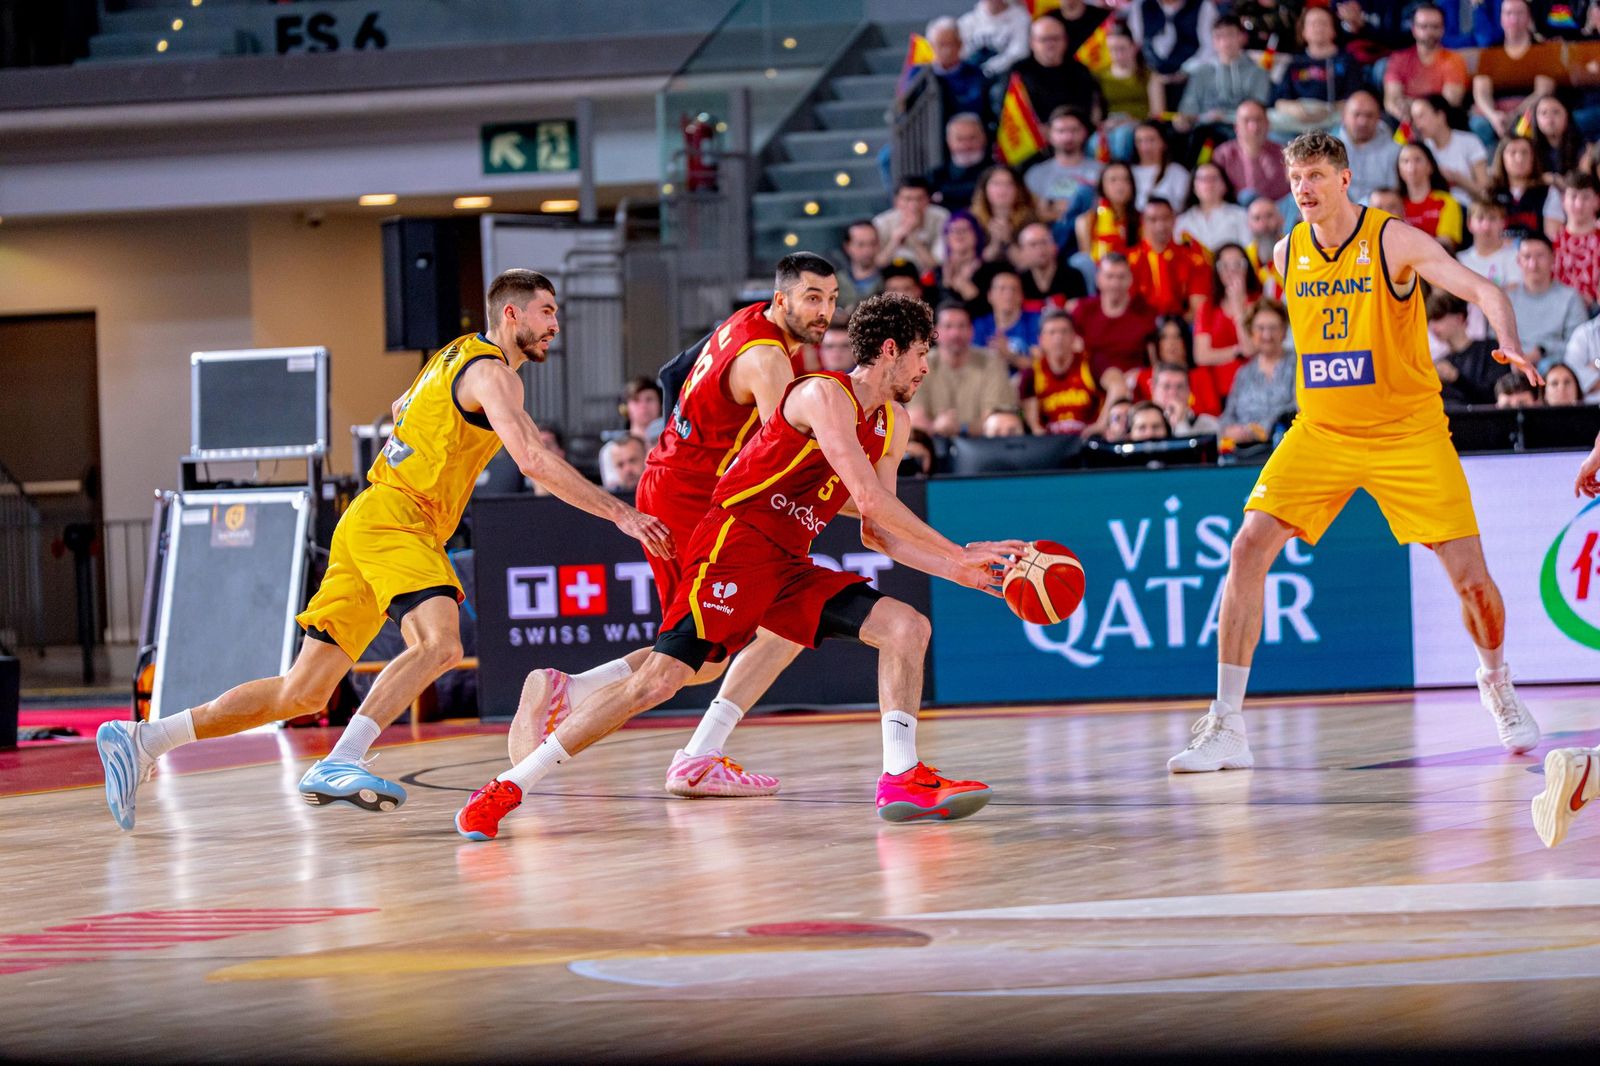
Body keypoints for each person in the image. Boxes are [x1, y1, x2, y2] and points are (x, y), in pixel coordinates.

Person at [94, 269, 676, 829]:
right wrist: (621, 513)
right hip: (399, 519)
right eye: (547, 312)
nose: (555, 324)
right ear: (511, 312)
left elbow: (402, 408)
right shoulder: (496, 373)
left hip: (369, 518)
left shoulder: (452, 354)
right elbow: (533, 460)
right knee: (442, 643)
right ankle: (342, 759)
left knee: (303, 691)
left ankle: (145, 738)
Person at [455, 293, 1028, 839]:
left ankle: (902, 778)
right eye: (922, 352)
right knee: (661, 681)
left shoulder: (893, 422)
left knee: (907, 627)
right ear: (889, 350)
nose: (926, 366)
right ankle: (508, 786)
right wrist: (959, 552)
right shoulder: (821, 395)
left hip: (789, 562)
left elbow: (876, 529)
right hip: (735, 544)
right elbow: (872, 499)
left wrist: (960, 573)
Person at [1168, 129, 1546, 775]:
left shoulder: (1391, 239)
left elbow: (1485, 290)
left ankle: (1496, 680)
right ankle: (1227, 723)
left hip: (1409, 433)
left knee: (1473, 583)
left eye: (1315, 176)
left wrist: (1508, 341)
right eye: (1295, 180)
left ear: (1345, 179)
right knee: (1247, 546)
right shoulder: (1288, 252)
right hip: (1322, 432)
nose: (1304, 190)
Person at [507, 254, 840, 797]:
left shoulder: (743, 321)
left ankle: (574, 690)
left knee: (701, 655)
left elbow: (673, 372)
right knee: (772, 626)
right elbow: (790, 458)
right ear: (782, 300)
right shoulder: (769, 361)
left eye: (830, 298)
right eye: (812, 298)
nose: (824, 310)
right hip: (693, 499)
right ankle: (691, 754)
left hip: (675, 483)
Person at [911, 301, 1017, 437]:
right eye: (948, 326)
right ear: (935, 332)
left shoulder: (991, 362)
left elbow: (996, 420)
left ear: (971, 331)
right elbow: (915, 418)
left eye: (962, 326)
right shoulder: (920, 364)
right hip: (933, 443)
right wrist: (936, 427)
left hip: (982, 445)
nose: (955, 333)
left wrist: (961, 428)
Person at [1469, 0, 1561, 147]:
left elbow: (1543, 91)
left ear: (1528, 17)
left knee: (1527, 125)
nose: (1513, 19)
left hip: (1528, 109)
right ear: (1501, 18)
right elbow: (1481, 92)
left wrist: (1516, 114)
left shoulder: (1542, 51)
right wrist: (1493, 116)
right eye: (1508, 13)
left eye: (1519, 13)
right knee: (1479, 125)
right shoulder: (1490, 52)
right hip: (1497, 112)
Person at [1021, 308, 1128, 435]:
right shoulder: (1032, 373)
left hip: (1090, 441)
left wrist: (1101, 424)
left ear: (1074, 336)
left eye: (1064, 331)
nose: (1058, 338)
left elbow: (1119, 386)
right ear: (1041, 340)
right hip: (1051, 447)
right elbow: (1034, 425)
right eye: (1052, 332)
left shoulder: (1091, 363)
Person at [1173, 15, 1272, 140]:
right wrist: (1186, 120)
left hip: (1242, 134)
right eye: (1219, 36)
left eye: (1230, 35)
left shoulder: (1258, 72)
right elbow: (1188, 109)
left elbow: (1258, 112)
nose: (1225, 42)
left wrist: (1227, 117)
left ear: (1242, 37)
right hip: (1205, 132)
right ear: (1213, 41)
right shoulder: (1201, 73)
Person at [1217, 298, 1297, 445]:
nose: (1267, 335)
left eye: (1273, 328)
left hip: (1284, 446)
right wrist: (1230, 430)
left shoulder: (1297, 364)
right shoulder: (1244, 373)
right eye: (1260, 328)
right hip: (1245, 453)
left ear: (1284, 331)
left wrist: (1259, 430)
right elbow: (1228, 416)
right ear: (1251, 332)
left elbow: (1297, 409)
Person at [1271, 5, 1361, 136]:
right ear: (1303, 31)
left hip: (1332, 118)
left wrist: (1328, 110)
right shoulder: (1294, 62)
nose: (1318, 28)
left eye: (1323, 23)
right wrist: (1295, 110)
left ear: (1334, 30)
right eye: (1312, 24)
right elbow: (1279, 102)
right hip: (1299, 119)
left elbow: (1356, 100)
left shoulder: (1347, 61)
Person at [1005, 12, 1105, 127]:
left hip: (1076, 133)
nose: (1050, 44)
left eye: (1055, 38)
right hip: (1034, 137)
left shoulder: (1080, 71)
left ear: (1065, 41)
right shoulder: (1018, 73)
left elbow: (1092, 109)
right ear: (1032, 42)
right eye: (1044, 39)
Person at [1509, 233, 1590, 373]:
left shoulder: (1570, 297)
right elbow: (1496, 339)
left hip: (1555, 367)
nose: (1533, 264)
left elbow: (1580, 345)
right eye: (1527, 257)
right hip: (1513, 366)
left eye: (1540, 256)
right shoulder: (1508, 299)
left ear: (1553, 258)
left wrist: (1542, 350)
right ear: (1518, 261)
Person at [1073, 252, 1159, 380]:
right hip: (1091, 383)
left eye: (1121, 277)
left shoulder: (1146, 313)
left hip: (1134, 383)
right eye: (1110, 277)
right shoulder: (1083, 310)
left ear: (1130, 279)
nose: (1115, 284)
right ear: (1098, 279)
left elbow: (1155, 362)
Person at [1382, 2, 1470, 125]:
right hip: (1405, 122)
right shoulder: (1399, 59)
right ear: (1414, 29)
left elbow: (1449, 104)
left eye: (1435, 27)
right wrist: (1409, 116)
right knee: (1392, 130)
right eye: (1424, 26)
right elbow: (1391, 101)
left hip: (1440, 125)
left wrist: (1411, 104)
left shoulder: (1454, 60)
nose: (1429, 32)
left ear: (1443, 29)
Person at [1128, 197, 1211, 319]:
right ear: (1143, 222)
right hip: (1140, 327)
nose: (1160, 226)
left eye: (1165, 218)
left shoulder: (1194, 259)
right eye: (1153, 220)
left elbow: (1199, 311)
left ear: (1174, 220)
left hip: (1181, 329)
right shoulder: (1129, 260)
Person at [1426, 291, 1509, 406]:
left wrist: (1457, 378)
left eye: (1439, 317)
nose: (1432, 326)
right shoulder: (1442, 362)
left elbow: (1496, 395)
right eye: (1430, 320)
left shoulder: (1490, 349)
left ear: (1459, 318)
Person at [1096, 22, 1162, 163]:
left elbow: (1157, 113)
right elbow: (1096, 114)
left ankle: (1121, 174)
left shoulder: (1149, 75)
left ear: (1134, 47)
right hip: (1110, 124)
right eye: (1112, 50)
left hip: (1139, 125)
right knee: (1094, 142)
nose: (1117, 55)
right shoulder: (1101, 77)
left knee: (1122, 137)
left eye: (1122, 49)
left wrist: (1132, 121)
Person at [1025, 107, 1103, 225]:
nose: (1068, 137)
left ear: (1084, 133)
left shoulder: (1102, 171)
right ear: (1049, 134)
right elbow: (1031, 215)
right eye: (1061, 131)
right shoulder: (1035, 174)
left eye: (1074, 130)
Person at [913, 18, 994, 131]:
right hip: (929, 134)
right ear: (931, 46)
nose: (947, 51)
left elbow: (978, 107)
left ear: (960, 44)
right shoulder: (918, 75)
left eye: (951, 44)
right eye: (942, 45)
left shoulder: (976, 74)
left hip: (967, 134)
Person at [1410, 93, 1489, 205]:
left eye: (1421, 116)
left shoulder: (1470, 141)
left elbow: (1486, 193)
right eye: (1413, 118)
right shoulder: (1421, 150)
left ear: (1440, 116)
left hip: (1469, 209)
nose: (1416, 124)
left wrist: (1457, 178)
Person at [1486, 135, 1561, 241]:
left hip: (1534, 254)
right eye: (1512, 153)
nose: (1519, 159)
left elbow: (1553, 237)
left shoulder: (1548, 192)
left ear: (1533, 158)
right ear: (1502, 158)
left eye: (1525, 153)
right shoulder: (1491, 193)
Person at [1214, 100, 1290, 203]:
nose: (1254, 127)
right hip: (1236, 212)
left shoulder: (1284, 154)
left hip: (1277, 211)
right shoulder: (1222, 155)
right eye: (1247, 121)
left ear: (1268, 124)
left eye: (1259, 120)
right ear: (1236, 127)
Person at [1335, 90, 1401, 206]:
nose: (1363, 121)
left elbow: (1393, 196)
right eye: (1357, 114)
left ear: (1378, 117)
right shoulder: (1328, 151)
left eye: (1369, 115)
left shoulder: (1396, 152)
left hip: (1379, 217)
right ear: (1344, 116)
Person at [1397, 141, 1466, 252]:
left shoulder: (1446, 201)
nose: (1411, 167)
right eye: (1405, 161)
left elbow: (1447, 244)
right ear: (1399, 169)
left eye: (1417, 160)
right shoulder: (1395, 203)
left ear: (1430, 166)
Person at [873, 178, 949, 275]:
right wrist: (895, 240)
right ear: (896, 201)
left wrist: (912, 237)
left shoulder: (942, 217)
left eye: (919, 199)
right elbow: (876, 265)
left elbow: (936, 265)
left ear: (928, 200)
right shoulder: (882, 222)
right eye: (907, 199)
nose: (914, 205)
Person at [971, 164, 1038, 266]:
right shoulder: (972, 220)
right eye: (996, 184)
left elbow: (1028, 265)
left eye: (1009, 184)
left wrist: (1008, 241)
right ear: (984, 189)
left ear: (1018, 190)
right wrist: (995, 244)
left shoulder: (1030, 220)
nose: (1003, 189)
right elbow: (973, 265)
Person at [1177, 161, 1252, 254]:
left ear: (1225, 185)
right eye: (1203, 179)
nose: (1209, 184)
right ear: (1193, 187)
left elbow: (1248, 251)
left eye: (1214, 178)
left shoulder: (1240, 215)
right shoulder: (1182, 221)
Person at [972, 268, 1041, 368]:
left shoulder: (1035, 322)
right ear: (990, 296)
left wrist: (1010, 356)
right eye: (1002, 289)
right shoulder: (980, 326)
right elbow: (973, 365)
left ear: (1021, 296)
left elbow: (1040, 365)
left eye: (1014, 289)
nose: (1008, 294)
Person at [1554, 173, 1600, 308]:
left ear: (1597, 201)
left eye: (1585, 197)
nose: (1578, 204)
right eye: (1573, 196)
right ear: (1563, 200)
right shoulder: (1551, 244)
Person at [1015, 222, 1087, 309]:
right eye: (1033, 244)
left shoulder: (1073, 276)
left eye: (1044, 242)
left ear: (1054, 246)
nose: (1040, 248)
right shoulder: (1019, 282)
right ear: (1023, 251)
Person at [928, 113, 992, 209]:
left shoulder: (996, 171)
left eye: (972, 138)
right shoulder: (935, 176)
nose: (966, 145)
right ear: (949, 141)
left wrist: (945, 194)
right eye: (960, 139)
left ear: (984, 138)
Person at [959, 0, 1031, 80]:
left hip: (1006, 75)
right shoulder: (967, 21)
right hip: (973, 75)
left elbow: (1020, 51)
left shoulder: (1020, 18)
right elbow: (959, 53)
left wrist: (990, 68)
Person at [927, 212, 986, 309]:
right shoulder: (937, 273)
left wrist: (965, 287)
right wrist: (946, 286)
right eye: (953, 230)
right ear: (946, 238)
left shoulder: (989, 270)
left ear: (976, 234)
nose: (958, 234)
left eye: (965, 229)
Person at [1130, 121, 1191, 210]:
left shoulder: (1178, 173)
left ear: (1163, 142)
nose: (1145, 147)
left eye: (1151, 140)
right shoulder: (1128, 172)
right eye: (1139, 141)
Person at [1151, 361, 1222, 435]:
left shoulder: (1209, 425)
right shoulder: (1143, 426)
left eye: (1180, 387)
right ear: (1153, 389)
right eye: (1166, 386)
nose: (1173, 393)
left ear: (1189, 391)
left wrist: (1180, 421)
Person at [835, 220, 883, 311]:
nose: (867, 251)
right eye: (861, 245)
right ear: (847, 247)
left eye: (873, 243)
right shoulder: (835, 283)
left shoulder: (889, 278)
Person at [1245, 196, 1286, 298]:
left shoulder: (1295, 249)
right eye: (1257, 218)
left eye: (1269, 216)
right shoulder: (1245, 256)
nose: (1264, 224)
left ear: (1281, 219)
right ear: (1249, 225)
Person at [619, 377, 662, 448]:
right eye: (636, 400)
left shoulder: (674, 445)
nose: (643, 406)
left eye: (649, 399)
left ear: (661, 404)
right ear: (625, 408)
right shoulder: (613, 451)